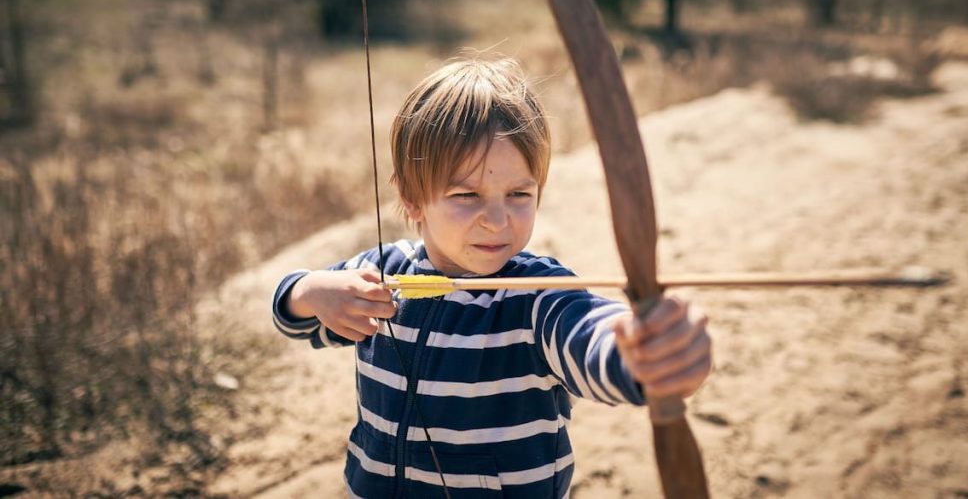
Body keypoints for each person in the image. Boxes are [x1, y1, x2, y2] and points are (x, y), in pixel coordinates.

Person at [271, 56, 712, 498]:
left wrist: (646, 354)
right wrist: (309, 292)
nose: (498, 221)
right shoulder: (382, 276)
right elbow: (296, 315)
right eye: (467, 195)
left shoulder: (538, 297)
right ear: (411, 197)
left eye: (519, 194)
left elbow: (590, 337)